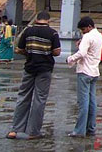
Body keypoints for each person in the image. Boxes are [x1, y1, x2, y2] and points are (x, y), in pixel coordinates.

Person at [6, 11, 61, 140]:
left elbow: (19, 49)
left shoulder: (28, 31)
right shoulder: (52, 33)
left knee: (23, 97)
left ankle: (15, 130)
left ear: (37, 19)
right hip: (45, 69)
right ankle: (33, 132)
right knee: (39, 100)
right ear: (48, 20)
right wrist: (45, 52)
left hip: (29, 67)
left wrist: (29, 53)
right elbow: (57, 52)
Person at [67, 16, 102, 137]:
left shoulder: (87, 36)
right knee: (92, 101)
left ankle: (79, 130)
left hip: (84, 71)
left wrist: (71, 58)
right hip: (94, 71)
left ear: (89, 27)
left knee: (83, 103)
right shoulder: (99, 35)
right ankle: (91, 128)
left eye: (83, 29)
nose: (83, 32)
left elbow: (82, 53)